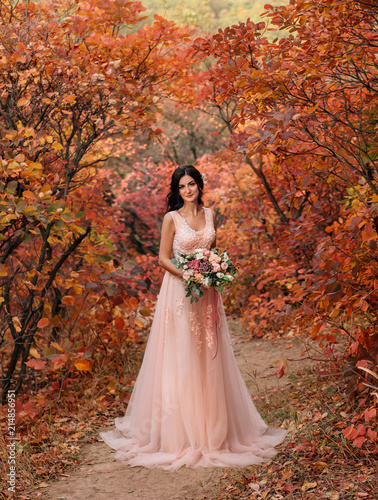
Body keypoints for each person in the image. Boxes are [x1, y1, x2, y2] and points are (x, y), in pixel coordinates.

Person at [99, 165, 286, 470]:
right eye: (181, 186)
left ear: (200, 185)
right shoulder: (170, 218)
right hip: (180, 294)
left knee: (209, 357)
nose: (187, 190)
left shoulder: (211, 214)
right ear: (176, 190)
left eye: (192, 184)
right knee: (183, 356)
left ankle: (214, 430)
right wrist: (189, 273)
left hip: (208, 295)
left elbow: (212, 251)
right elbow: (162, 258)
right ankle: (181, 434)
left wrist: (215, 270)